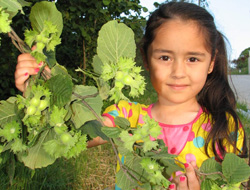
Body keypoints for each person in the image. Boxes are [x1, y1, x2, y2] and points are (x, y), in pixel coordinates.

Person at [15, 2, 247, 190]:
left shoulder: (225, 127)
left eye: (193, 59)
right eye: (165, 57)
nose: (178, 72)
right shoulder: (126, 115)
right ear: (146, 60)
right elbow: (80, 134)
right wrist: (44, 92)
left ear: (211, 63)